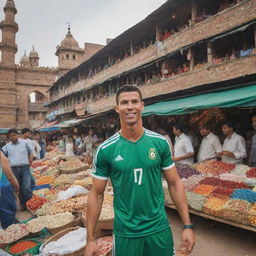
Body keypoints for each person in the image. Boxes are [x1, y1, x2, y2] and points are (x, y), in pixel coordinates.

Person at [84, 85, 195, 256]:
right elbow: (97, 194)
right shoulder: (106, 149)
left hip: (159, 229)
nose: (130, 106)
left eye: (134, 101)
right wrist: (90, 239)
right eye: (124, 102)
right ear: (117, 108)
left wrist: (187, 226)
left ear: (142, 106)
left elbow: (174, 183)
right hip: (125, 233)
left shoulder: (159, 143)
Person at [2, 129, 33, 210]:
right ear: (8, 138)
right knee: (17, 188)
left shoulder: (25, 142)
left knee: (26, 187)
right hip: (13, 169)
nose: (12, 137)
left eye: (14, 135)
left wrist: (30, 163)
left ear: (17, 135)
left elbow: (31, 153)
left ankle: (30, 205)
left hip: (25, 168)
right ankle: (23, 205)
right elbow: (2, 156)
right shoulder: (7, 147)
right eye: (10, 136)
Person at [0, 150, 19, 229]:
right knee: (8, 214)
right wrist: (17, 187)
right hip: (3, 190)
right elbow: (10, 177)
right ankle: (10, 233)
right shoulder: (2, 158)